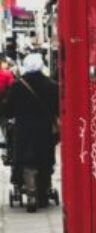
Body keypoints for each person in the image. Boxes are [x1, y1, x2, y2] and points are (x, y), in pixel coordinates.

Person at [0, 53, 58, 212]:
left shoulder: (18, 86)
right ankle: (44, 192)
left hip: (24, 130)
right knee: (44, 160)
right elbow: (58, 109)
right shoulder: (51, 85)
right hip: (45, 130)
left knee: (27, 160)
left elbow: (8, 110)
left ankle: (31, 192)